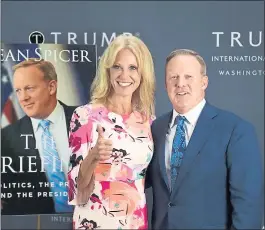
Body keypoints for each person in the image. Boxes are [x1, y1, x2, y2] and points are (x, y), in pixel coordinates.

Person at [147, 49, 263, 229]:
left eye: (188, 77)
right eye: (173, 77)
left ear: (204, 82)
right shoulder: (156, 128)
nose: (180, 84)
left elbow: (248, 206)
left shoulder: (236, 130)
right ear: (165, 84)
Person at [67, 34, 156, 229]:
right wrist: (93, 156)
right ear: (108, 71)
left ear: (143, 74)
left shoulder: (149, 121)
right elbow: (77, 192)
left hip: (135, 223)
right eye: (117, 67)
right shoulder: (85, 116)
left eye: (133, 68)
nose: (124, 75)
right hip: (94, 222)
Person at [1, 58, 76, 214]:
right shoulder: (6, 138)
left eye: (29, 88)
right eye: (18, 91)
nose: (23, 98)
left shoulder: (87, 119)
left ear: (51, 87)